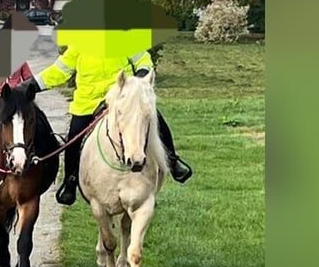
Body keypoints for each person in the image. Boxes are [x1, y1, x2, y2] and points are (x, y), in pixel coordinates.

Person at [16, 44, 193, 206]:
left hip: (120, 99)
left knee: (155, 119)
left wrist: (138, 79)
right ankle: (70, 181)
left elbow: (143, 60)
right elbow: (58, 71)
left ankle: (172, 160)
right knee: (74, 139)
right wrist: (30, 85)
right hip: (87, 105)